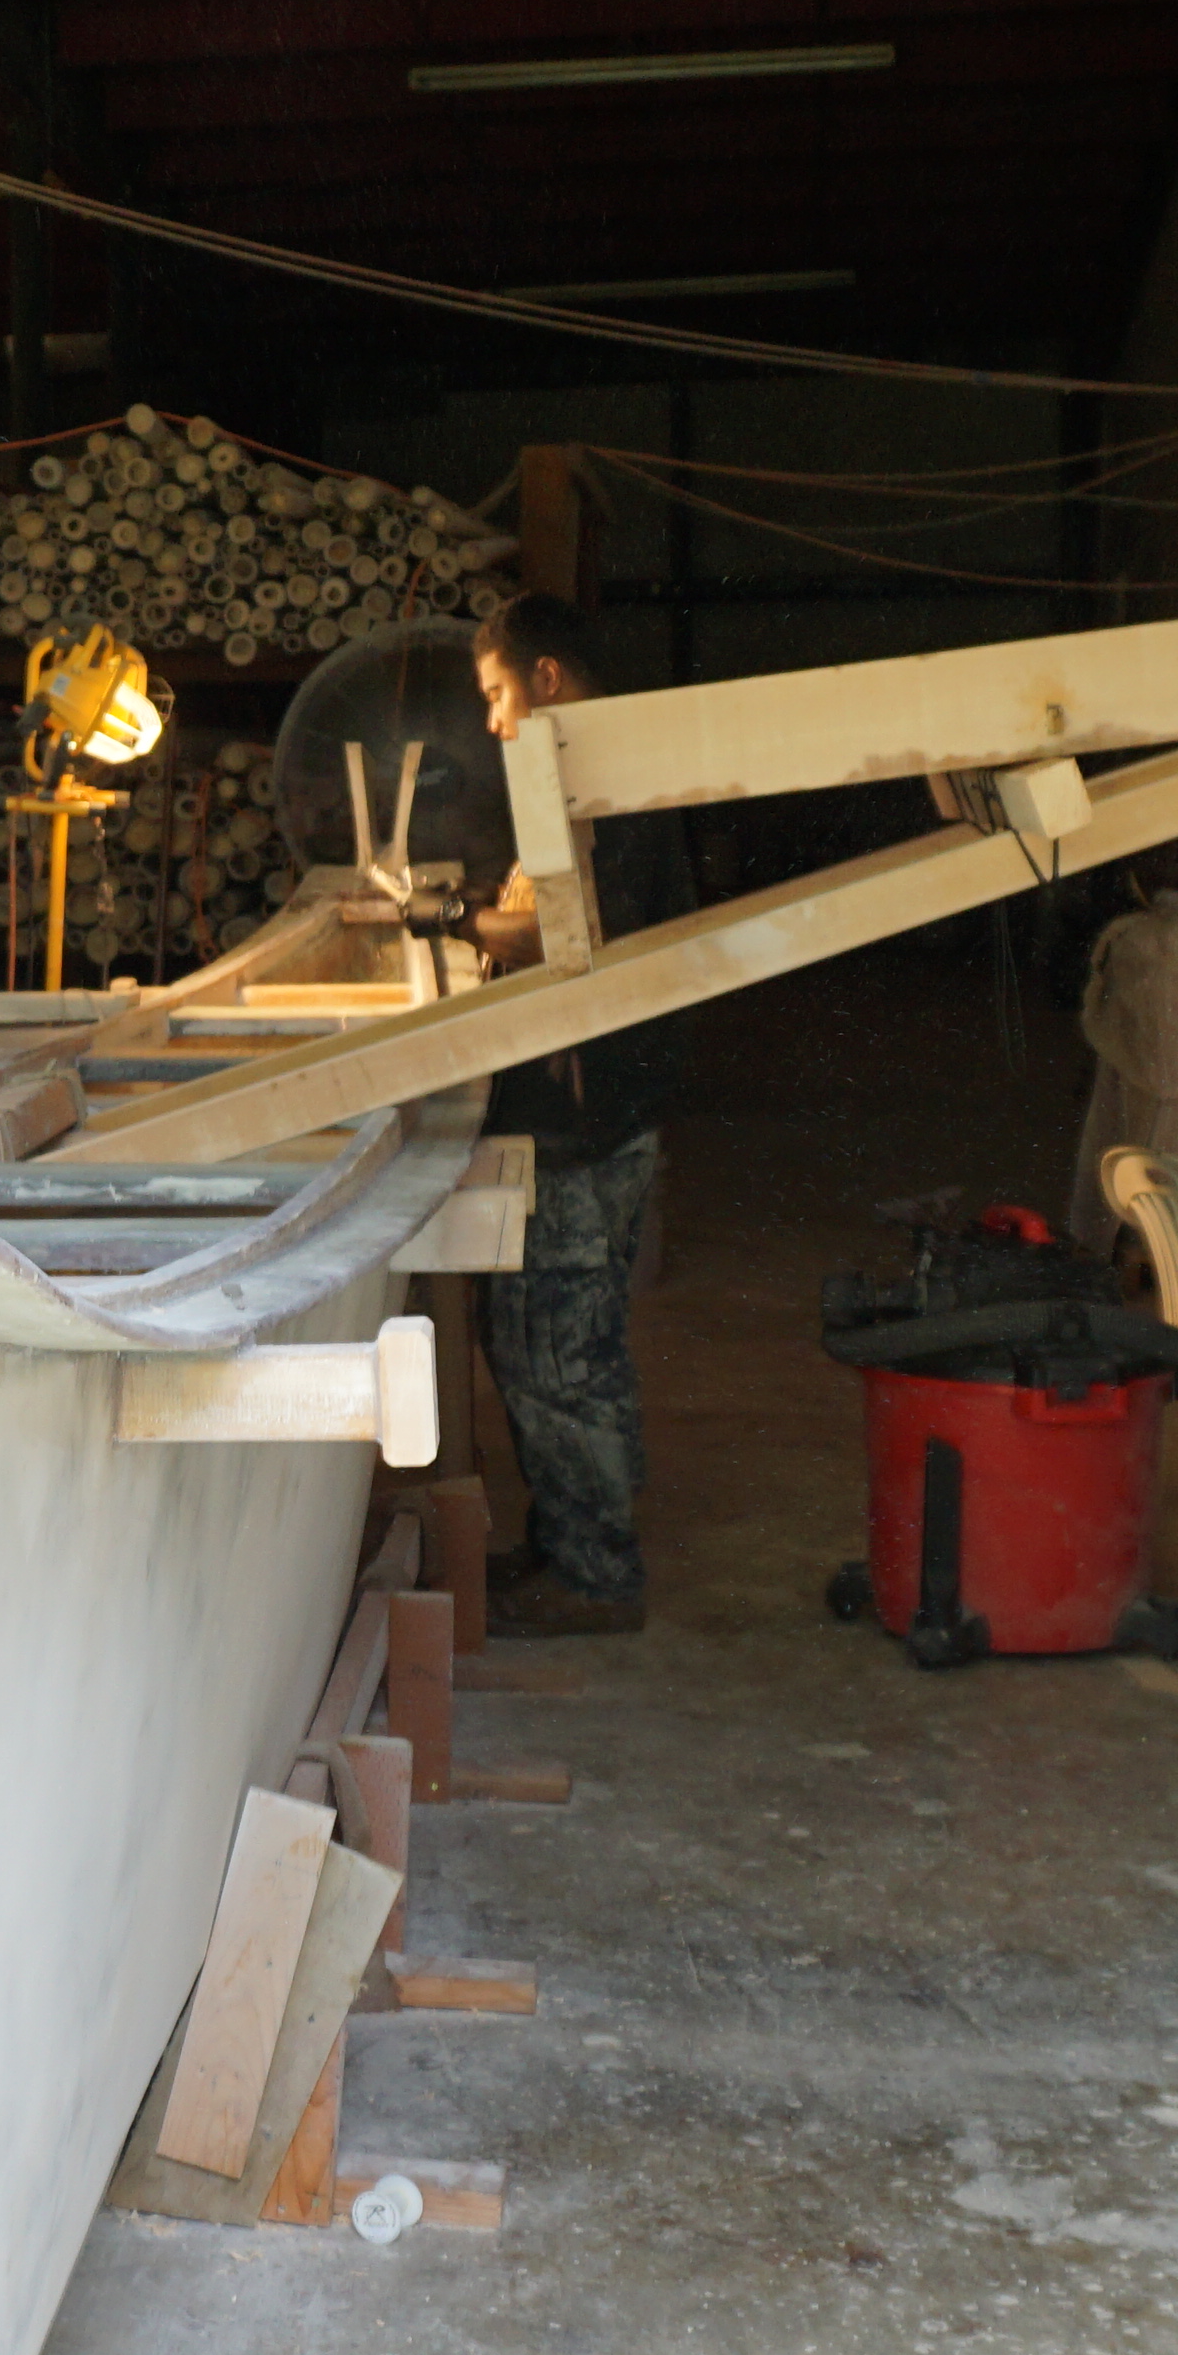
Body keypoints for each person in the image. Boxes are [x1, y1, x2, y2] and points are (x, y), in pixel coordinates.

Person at [468, 590, 694, 1636]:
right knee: (552, 1336)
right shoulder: (597, 772)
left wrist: (452, 920)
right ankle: (569, 1540)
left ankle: (596, 1573)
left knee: (558, 1347)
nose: (495, 722)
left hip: (584, 1116)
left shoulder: (610, 777)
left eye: (499, 693)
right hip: (599, 1105)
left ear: (547, 677)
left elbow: (572, 936)